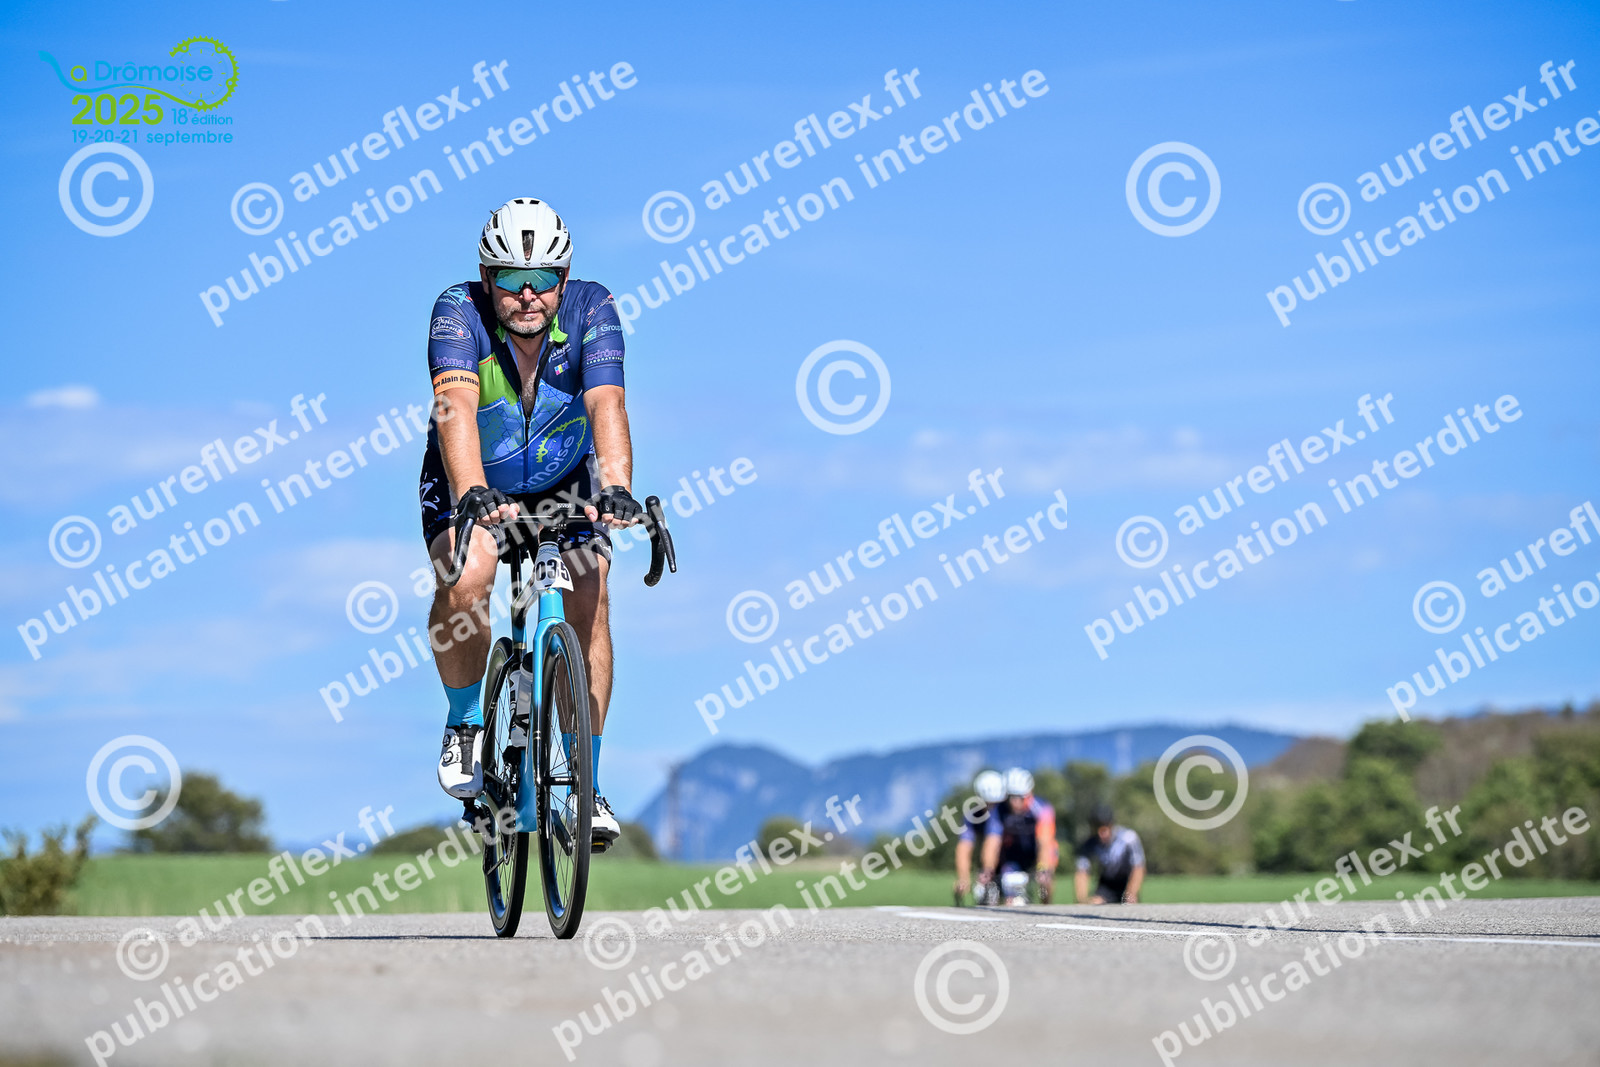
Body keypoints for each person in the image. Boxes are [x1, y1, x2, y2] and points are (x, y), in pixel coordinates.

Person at [422, 197, 641, 849]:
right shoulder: (457, 311)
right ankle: (466, 722)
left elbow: (607, 401)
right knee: (468, 578)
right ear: (486, 279)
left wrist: (619, 488)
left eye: (542, 278)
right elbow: (454, 405)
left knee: (590, 596)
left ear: (563, 279)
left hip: (564, 482)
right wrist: (472, 491)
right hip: (472, 478)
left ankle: (586, 784)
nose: (527, 294)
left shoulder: (592, 309)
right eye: (511, 278)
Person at [979, 768, 1058, 905]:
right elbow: (992, 842)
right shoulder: (998, 811)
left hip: (1039, 850)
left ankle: (1046, 905)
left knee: (1045, 879)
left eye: (1020, 797)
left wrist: (1042, 867)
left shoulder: (1042, 808)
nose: (1015, 802)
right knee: (1010, 889)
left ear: (1029, 794)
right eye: (1011, 797)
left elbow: (1045, 842)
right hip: (1015, 853)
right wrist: (988, 869)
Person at [1074, 804, 1146, 904]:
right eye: (1097, 829)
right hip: (1106, 886)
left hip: (1127, 882)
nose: (1101, 834)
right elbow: (1082, 871)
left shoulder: (1129, 838)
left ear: (1111, 825)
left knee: (1129, 904)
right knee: (1095, 902)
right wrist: (1082, 900)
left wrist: (1131, 894)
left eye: (1104, 829)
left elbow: (1138, 868)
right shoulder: (1089, 843)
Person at [954, 770, 1006, 904]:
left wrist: (987, 872)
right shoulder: (971, 816)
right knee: (983, 894)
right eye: (988, 803)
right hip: (989, 864)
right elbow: (964, 847)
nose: (992, 808)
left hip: (1011, 861)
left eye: (996, 803)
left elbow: (992, 843)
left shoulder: (1005, 812)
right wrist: (963, 878)